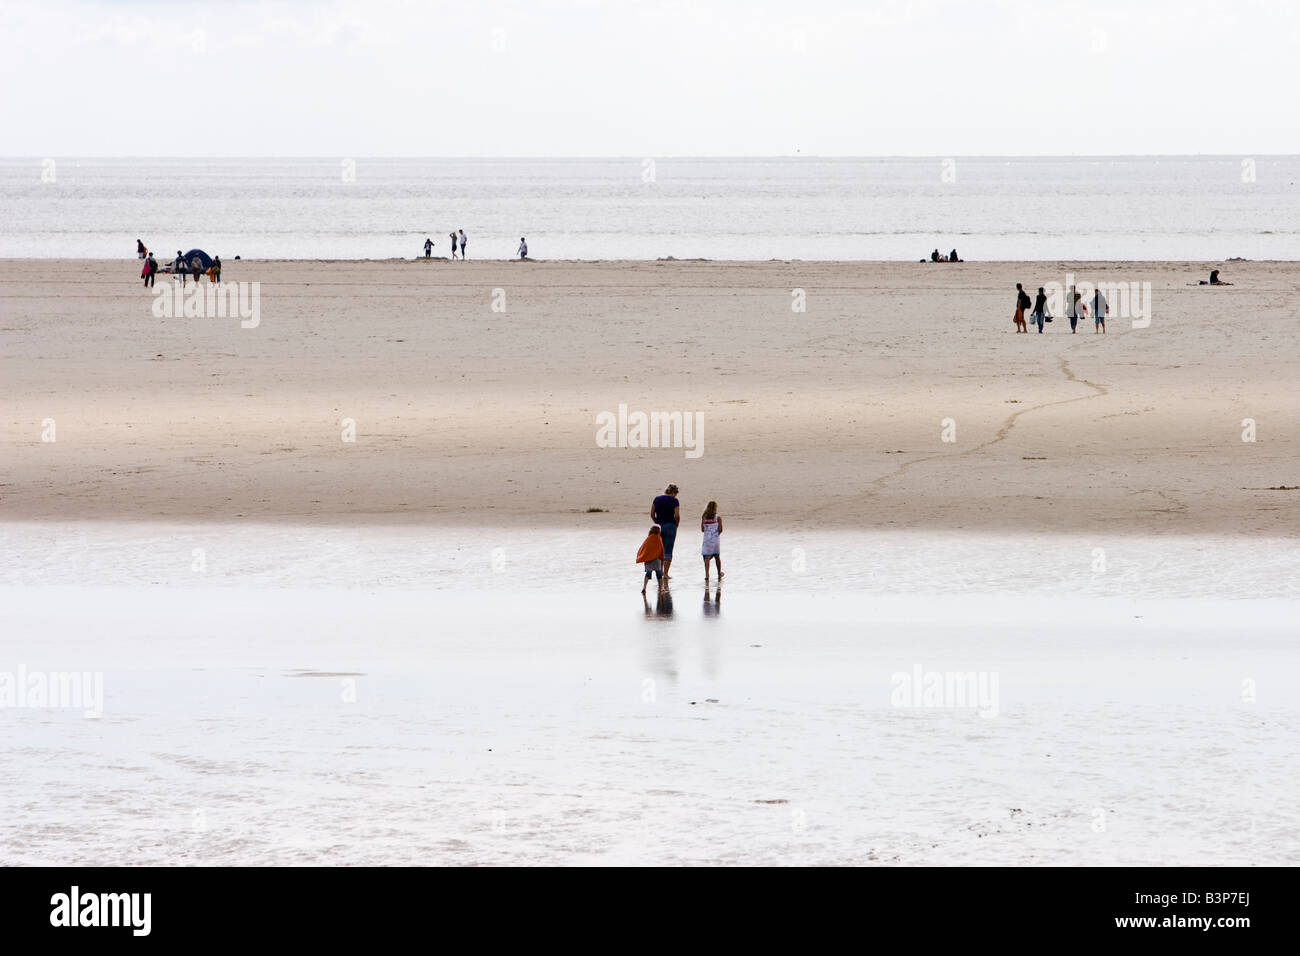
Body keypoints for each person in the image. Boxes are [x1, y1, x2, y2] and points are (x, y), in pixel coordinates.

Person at [651, 484, 681, 581]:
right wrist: (676, 524)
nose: (675, 496)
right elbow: (676, 515)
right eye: (675, 494)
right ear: (673, 492)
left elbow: (652, 513)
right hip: (670, 526)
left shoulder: (657, 499)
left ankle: (659, 572)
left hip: (659, 526)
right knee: (668, 549)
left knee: (660, 550)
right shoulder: (674, 501)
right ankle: (666, 573)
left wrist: (656, 522)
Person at [636, 526, 666, 595]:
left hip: (648, 559)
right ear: (659, 531)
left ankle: (644, 588)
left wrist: (643, 557)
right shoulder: (659, 538)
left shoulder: (648, 539)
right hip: (657, 560)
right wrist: (662, 558)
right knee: (659, 574)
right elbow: (661, 549)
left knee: (648, 574)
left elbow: (643, 548)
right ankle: (661, 588)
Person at [701, 501, 723, 584]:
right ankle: (719, 573)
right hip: (715, 539)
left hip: (707, 539)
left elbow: (702, 530)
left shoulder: (704, 517)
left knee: (707, 557)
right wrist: (715, 534)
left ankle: (707, 575)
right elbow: (720, 530)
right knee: (717, 557)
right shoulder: (718, 518)